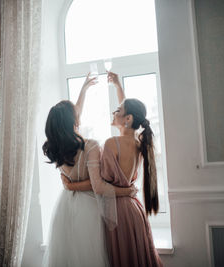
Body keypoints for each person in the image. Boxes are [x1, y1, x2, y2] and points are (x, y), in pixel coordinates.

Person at [63, 72, 163, 267]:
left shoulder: (111, 143)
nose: (113, 112)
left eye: (117, 110)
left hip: (117, 213)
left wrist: (71, 185)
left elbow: (98, 185)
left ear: (127, 119)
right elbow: (130, 113)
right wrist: (118, 86)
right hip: (134, 209)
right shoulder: (139, 143)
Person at [42, 74, 137, 267]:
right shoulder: (90, 146)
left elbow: (71, 115)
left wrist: (83, 91)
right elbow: (96, 185)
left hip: (65, 205)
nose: (79, 113)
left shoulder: (56, 146)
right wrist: (127, 191)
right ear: (73, 120)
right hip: (88, 206)